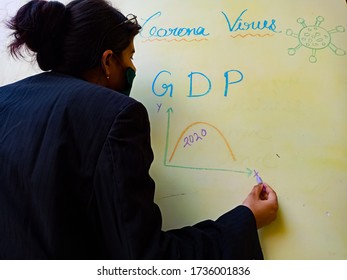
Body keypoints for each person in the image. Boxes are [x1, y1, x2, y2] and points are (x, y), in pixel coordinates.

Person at [0, 0, 278, 259]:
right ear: (108, 61)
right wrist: (245, 219)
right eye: (130, 56)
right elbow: (144, 257)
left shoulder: (4, 100)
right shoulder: (117, 114)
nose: (133, 67)